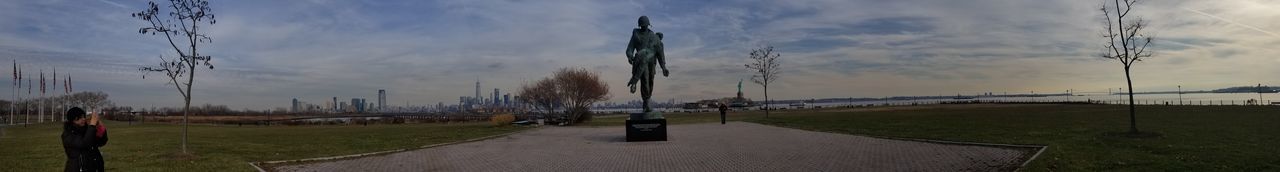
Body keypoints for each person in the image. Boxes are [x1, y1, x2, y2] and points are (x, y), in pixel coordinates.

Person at [62, 107, 108, 172]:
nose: (83, 119)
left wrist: (99, 127)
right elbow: (84, 144)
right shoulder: (68, 134)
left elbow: (101, 142)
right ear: (73, 120)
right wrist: (92, 126)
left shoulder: (88, 130)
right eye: (79, 118)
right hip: (78, 168)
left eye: (83, 117)